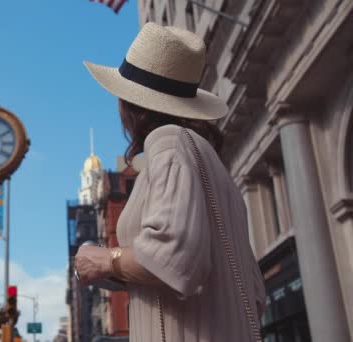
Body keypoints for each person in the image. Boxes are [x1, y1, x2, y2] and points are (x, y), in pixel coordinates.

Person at [74, 22, 266, 342]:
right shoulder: (210, 165)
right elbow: (253, 292)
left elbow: (174, 258)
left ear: (128, 104)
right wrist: (116, 271)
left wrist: (105, 259)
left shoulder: (169, 142)